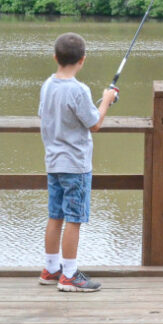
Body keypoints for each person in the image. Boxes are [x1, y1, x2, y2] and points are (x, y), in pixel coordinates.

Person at [37, 32, 118, 292]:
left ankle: (51, 269)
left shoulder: (47, 85)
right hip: (75, 165)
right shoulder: (79, 89)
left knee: (55, 215)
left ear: (55, 58)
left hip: (53, 162)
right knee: (74, 218)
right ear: (82, 60)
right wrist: (106, 101)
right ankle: (69, 275)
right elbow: (94, 124)